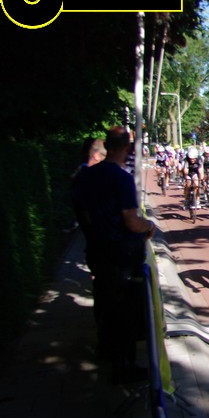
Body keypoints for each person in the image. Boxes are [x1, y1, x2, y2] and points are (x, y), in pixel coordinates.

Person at [72, 126, 156, 384]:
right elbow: (131, 220)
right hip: (122, 252)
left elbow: (81, 213)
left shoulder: (84, 176)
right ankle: (124, 366)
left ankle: (105, 346)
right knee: (126, 309)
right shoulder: (121, 178)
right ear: (127, 148)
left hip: (96, 248)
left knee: (104, 298)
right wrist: (149, 226)